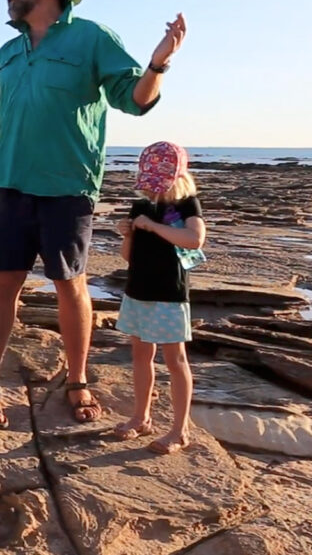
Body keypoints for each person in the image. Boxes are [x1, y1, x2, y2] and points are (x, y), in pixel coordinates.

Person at [0, 0, 187, 428]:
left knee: (70, 284)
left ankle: (78, 378)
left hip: (68, 186)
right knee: (4, 286)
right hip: (8, 185)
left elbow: (134, 100)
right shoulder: (7, 53)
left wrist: (158, 64)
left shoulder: (90, 38)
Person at [114, 142, 204, 455]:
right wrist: (127, 234)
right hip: (138, 289)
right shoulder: (140, 204)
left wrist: (153, 226)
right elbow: (129, 256)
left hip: (169, 293)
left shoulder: (186, 205)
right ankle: (141, 417)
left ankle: (180, 431)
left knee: (175, 360)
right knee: (140, 354)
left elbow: (194, 240)